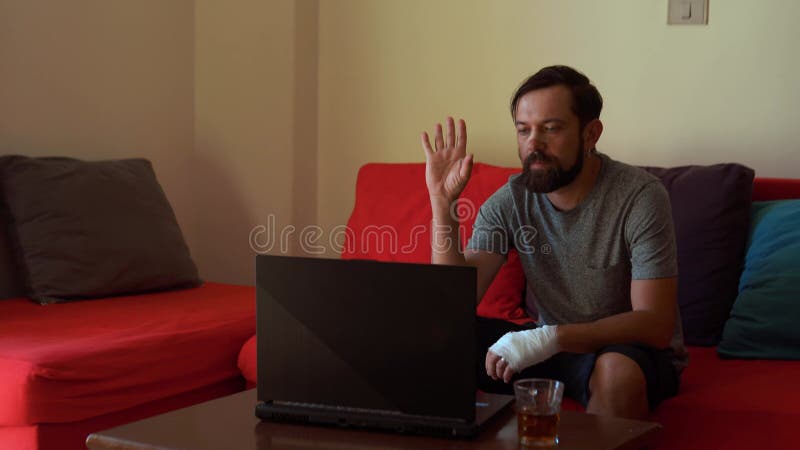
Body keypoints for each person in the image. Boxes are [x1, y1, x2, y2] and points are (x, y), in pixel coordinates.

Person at [420, 65, 686, 419]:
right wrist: (441, 204)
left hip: (626, 349)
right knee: (432, 340)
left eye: (551, 129)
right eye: (524, 130)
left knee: (616, 373)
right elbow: (451, 305)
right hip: (548, 344)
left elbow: (654, 324)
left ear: (590, 134)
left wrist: (546, 339)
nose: (534, 144)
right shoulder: (511, 200)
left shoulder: (639, 196)